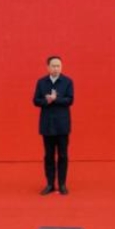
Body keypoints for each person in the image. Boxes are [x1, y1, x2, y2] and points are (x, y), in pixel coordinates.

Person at [32, 55, 74, 195]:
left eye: (58, 66)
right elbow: (35, 101)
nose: (56, 68)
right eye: (53, 66)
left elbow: (70, 100)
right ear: (48, 67)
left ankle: (62, 184)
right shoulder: (41, 82)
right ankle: (50, 184)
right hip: (47, 125)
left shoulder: (67, 81)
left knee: (63, 155)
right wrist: (46, 101)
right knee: (49, 156)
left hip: (62, 125)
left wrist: (56, 99)